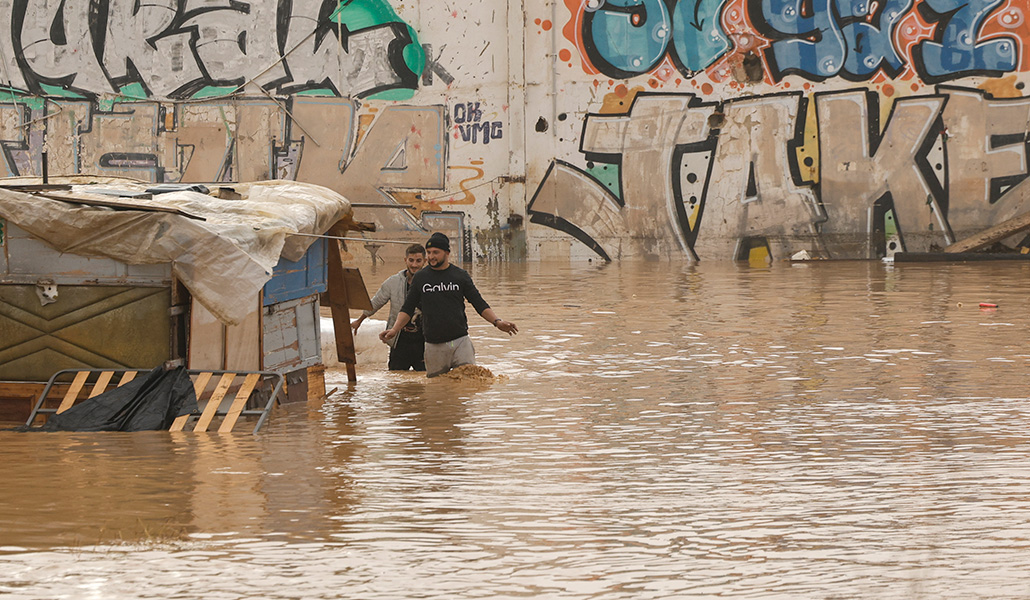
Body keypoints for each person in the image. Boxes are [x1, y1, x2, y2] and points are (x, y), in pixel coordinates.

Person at [380, 232, 517, 377]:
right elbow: (407, 308)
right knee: (437, 390)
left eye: (436, 252)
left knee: (469, 383)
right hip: (433, 346)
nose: (431, 256)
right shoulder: (420, 278)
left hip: (460, 342)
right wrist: (395, 330)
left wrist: (497, 322)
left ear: (447, 253)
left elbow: (479, 303)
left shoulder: (460, 276)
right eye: (429, 252)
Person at [351, 244, 427, 371]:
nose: (414, 265)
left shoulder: (431, 282)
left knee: (426, 381)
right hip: (399, 339)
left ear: (425, 261)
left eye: (418, 261)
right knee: (396, 381)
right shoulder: (393, 282)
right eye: (411, 260)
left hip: (424, 340)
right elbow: (375, 303)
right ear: (405, 260)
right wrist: (359, 320)